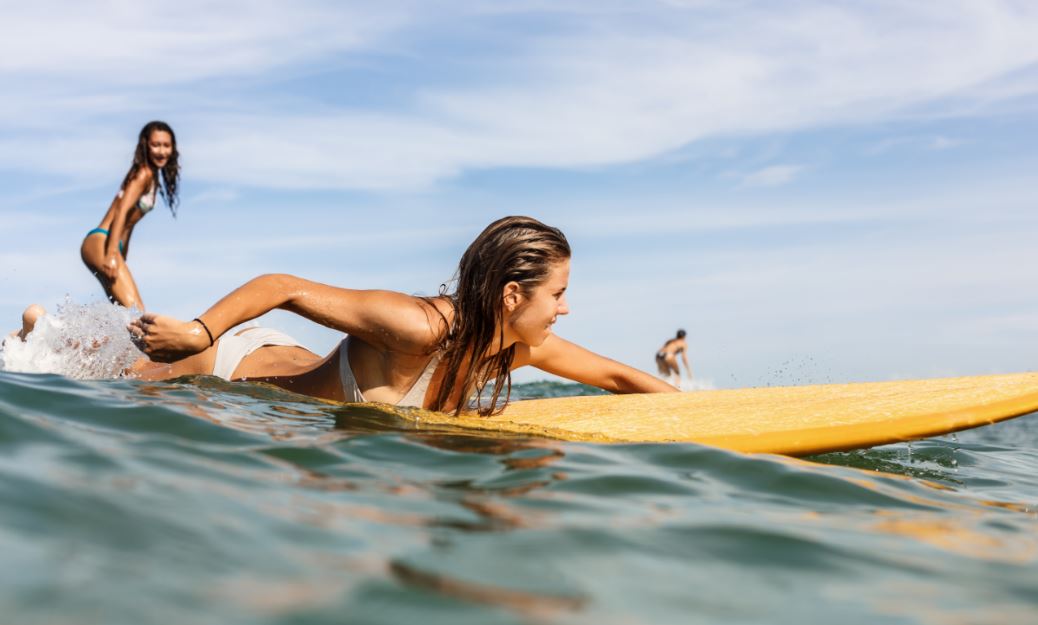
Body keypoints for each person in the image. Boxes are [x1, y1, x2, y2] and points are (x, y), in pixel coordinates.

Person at [131, 216, 677, 414]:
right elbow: (284, 287)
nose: (565, 307)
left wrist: (714, 421)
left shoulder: (513, 348)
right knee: (90, 368)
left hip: (288, 362)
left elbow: (617, 376)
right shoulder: (419, 328)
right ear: (512, 296)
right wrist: (198, 332)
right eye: (558, 294)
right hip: (224, 365)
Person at [81, 121, 181, 310]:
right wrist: (111, 254)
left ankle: (69, 336)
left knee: (123, 315)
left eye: (166, 145)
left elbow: (130, 223)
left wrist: (121, 253)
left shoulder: (152, 176)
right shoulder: (144, 174)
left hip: (112, 244)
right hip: (102, 241)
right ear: (145, 145)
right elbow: (121, 212)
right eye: (156, 144)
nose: (161, 151)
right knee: (136, 313)